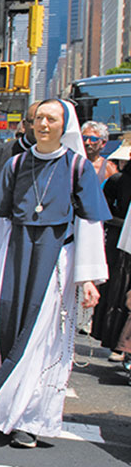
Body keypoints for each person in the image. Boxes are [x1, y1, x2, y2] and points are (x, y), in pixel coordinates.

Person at [0, 99, 109, 448]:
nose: (44, 124)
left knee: (42, 338)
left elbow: (90, 223)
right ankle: (8, 411)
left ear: (65, 126)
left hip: (56, 261)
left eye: (52, 119)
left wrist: (88, 278)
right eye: (40, 119)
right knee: (10, 328)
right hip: (14, 255)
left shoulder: (78, 167)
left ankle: (30, 419)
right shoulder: (16, 164)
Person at [90, 136, 131, 361]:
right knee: (120, 294)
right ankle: (119, 344)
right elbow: (103, 211)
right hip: (121, 245)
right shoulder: (118, 181)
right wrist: (123, 224)